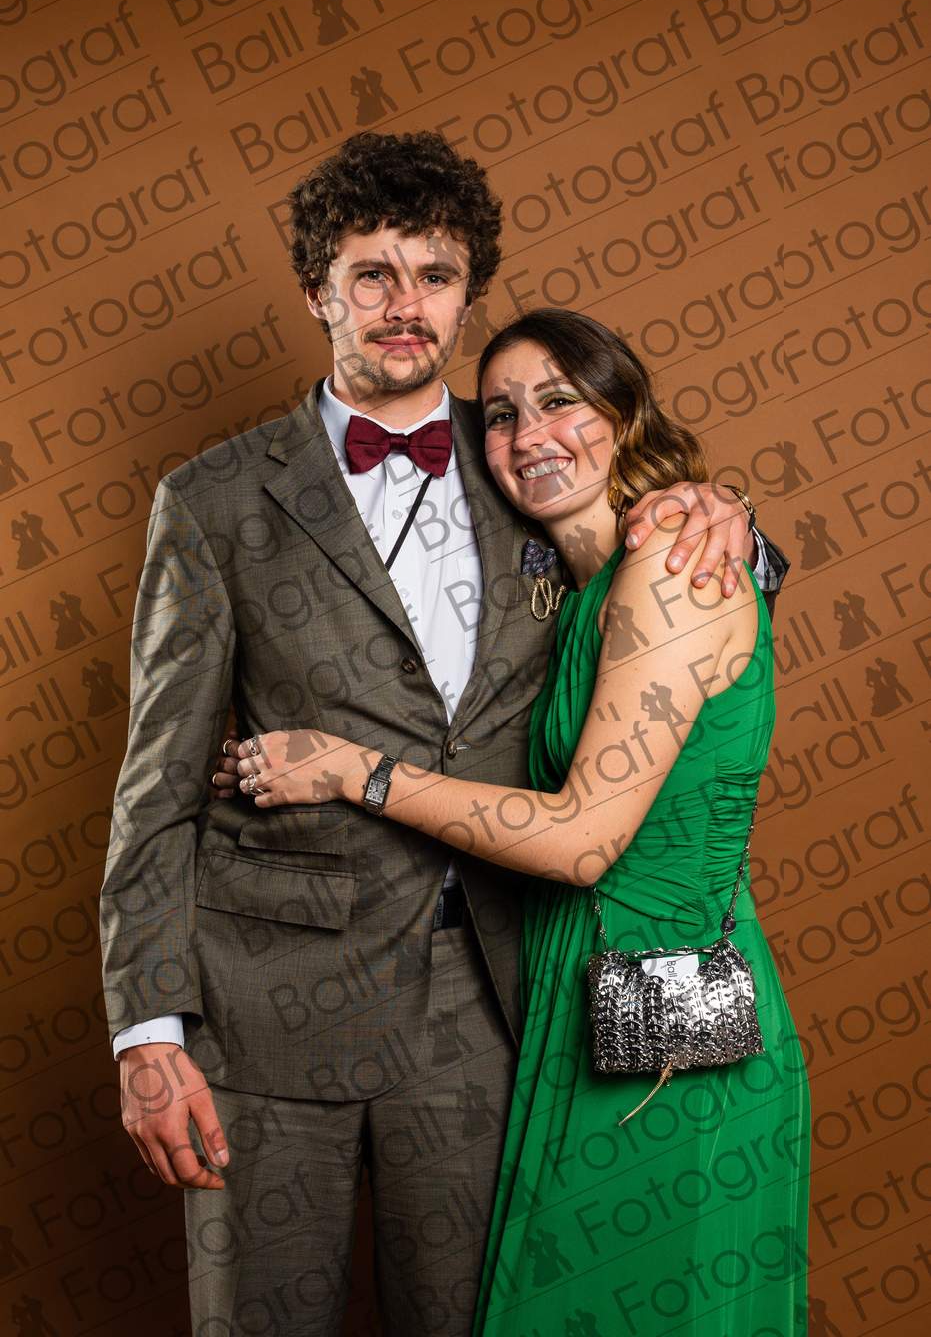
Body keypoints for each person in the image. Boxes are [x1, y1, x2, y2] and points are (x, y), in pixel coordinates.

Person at [99, 131, 788, 1337]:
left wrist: (730, 515)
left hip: (498, 1010)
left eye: (434, 275)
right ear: (317, 290)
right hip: (269, 1010)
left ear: (468, 297)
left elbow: (668, 581)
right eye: (370, 274)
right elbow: (154, 785)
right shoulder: (212, 499)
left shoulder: (527, 452)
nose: (403, 305)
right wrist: (147, 1032)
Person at [214, 309, 809, 1336]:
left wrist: (353, 770)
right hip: (569, 1009)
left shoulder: (670, 567)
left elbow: (580, 839)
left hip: (673, 1029)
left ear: (624, 414)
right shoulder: (571, 587)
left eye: (560, 401)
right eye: (499, 415)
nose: (530, 435)